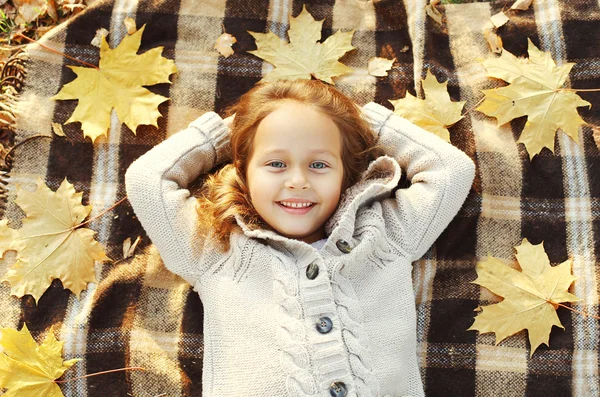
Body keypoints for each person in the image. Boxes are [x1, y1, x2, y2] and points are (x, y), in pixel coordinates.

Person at [125, 79, 475, 397]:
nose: (297, 181)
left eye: (319, 165)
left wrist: (363, 121)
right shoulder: (218, 248)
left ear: (345, 174)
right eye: (275, 164)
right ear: (244, 171)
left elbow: (450, 170)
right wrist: (227, 134)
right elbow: (147, 179)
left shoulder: (383, 233)